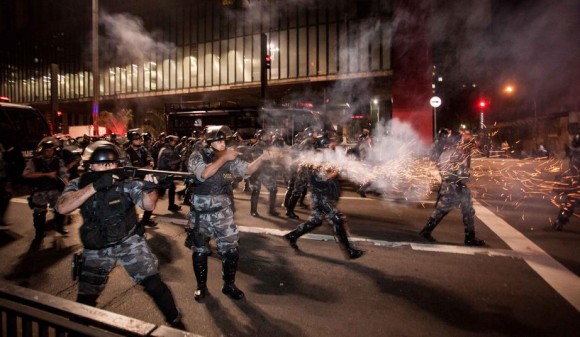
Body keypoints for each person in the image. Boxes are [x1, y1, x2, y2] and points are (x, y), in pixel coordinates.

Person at [55, 141, 185, 329]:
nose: (108, 168)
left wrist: (150, 188)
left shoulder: (126, 183)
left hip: (129, 240)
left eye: (111, 164)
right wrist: (96, 185)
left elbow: (148, 205)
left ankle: (175, 322)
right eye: (102, 164)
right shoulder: (78, 184)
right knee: (86, 298)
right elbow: (62, 207)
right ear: (90, 165)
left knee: (154, 284)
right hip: (96, 247)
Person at [186, 125, 272, 302]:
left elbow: (247, 170)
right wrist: (224, 158)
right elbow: (205, 174)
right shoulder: (197, 156)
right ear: (209, 143)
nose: (223, 143)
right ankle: (201, 287)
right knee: (200, 251)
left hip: (223, 213)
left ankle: (229, 285)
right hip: (201, 214)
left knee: (231, 250)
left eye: (224, 140)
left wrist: (262, 158)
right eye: (219, 140)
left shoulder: (227, 157)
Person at [283, 136, 364, 259]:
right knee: (337, 219)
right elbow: (322, 179)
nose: (334, 147)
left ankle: (292, 236)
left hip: (323, 195)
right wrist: (338, 170)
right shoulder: (315, 160)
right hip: (320, 197)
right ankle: (349, 251)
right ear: (325, 146)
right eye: (331, 146)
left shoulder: (324, 157)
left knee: (316, 221)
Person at [418, 131, 485, 246]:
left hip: (447, 186)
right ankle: (470, 238)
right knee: (468, 212)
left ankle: (426, 231)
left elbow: (440, 167)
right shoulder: (457, 154)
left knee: (441, 211)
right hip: (457, 187)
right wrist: (468, 182)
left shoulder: (445, 153)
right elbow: (461, 172)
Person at [22, 140, 69, 241]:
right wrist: (45, 175)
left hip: (54, 190)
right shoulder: (34, 161)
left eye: (51, 150)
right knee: (39, 213)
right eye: (47, 150)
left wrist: (65, 183)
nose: (49, 152)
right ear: (43, 151)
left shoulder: (57, 160)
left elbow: (64, 174)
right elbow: (26, 174)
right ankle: (39, 233)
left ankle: (59, 227)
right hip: (40, 191)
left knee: (61, 210)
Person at [125, 130, 157, 227]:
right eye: (136, 139)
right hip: (133, 181)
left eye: (139, 139)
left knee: (151, 198)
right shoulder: (127, 152)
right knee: (130, 203)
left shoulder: (143, 149)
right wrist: (146, 168)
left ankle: (145, 220)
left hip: (145, 179)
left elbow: (150, 158)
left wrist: (151, 162)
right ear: (131, 141)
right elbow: (130, 169)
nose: (139, 141)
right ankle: (130, 223)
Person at [552, 134, 580, 231]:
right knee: (570, 201)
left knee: (571, 201)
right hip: (576, 182)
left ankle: (560, 221)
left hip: (576, 182)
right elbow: (572, 169)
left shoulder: (574, 154)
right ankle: (560, 221)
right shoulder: (574, 154)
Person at [157, 135, 183, 212]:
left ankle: (171, 205)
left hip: (163, 172)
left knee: (170, 187)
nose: (174, 143)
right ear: (169, 141)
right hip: (164, 173)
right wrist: (180, 159)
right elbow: (170, 163)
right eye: (173, 141)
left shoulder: (163, 148)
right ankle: (170, 205)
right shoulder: (167, 151)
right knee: (165, 189)